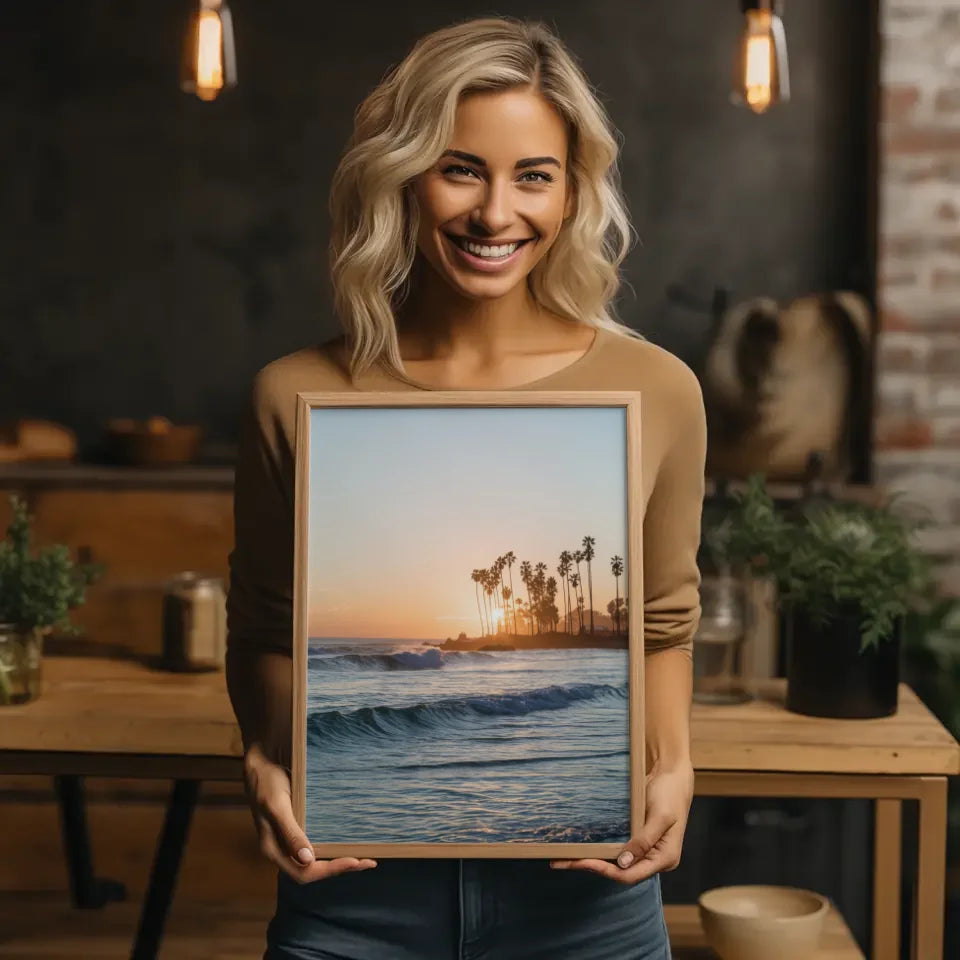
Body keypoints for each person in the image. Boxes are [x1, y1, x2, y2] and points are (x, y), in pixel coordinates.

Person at [226, 15, 705, 960]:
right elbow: (264, 628)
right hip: (351, 899)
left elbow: (663, 624)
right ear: (402, 178)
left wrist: (675, 766)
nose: (496, 214)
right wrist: (260, 754)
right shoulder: (296, 394)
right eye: (460, 169)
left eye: (534, 175)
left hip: (587, 904)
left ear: (572, 195)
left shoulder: (659, 389)